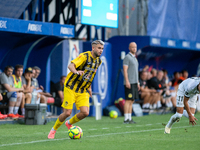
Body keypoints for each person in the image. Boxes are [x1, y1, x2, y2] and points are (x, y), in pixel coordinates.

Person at [48, 40, 104, 139]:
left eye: (102, 49)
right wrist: (76, 72)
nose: (101, 50)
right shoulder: (84, 56)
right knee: (67, 112)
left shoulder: (99, 61)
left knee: (85, 113)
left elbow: (91, 75)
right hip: (71, 87)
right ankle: (53, 130)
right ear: (93, 48)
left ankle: (69, 123)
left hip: (83, 89)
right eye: (99, 48)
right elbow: (70, 66)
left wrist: (89, 87)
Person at [123, 42, 140, 124]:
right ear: (129, 48)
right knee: (128, 100)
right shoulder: (127, 57)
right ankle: (126, 118)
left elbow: (135, 71)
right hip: (129, 82)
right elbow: (125, 70)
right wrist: (127, 81)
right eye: (133, 47)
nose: (134, 49)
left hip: (135, 82)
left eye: (135, 47)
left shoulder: (135, 58)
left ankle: (129, 118)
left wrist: (138, 82)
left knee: (132, 100)